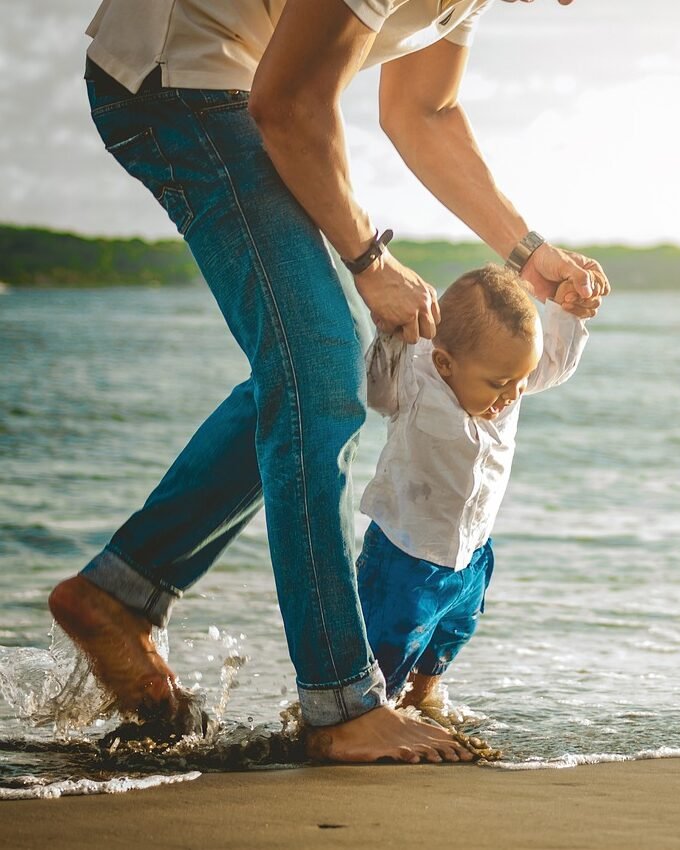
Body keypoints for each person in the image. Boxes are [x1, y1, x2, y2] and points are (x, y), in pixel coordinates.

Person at [48, 0, 610, 765]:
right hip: (178, 80)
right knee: (319, 368)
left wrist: (527, 250)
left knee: (315, 373)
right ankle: (341, 703)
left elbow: (427, 109)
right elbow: (288, 103)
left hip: (233, 84)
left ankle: (122, 592)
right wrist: (370, 263)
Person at [357, 264, 593, 730]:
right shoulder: (416, 378)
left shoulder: (508, 372)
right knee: (387, 649)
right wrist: (389, 331)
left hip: (473, 552)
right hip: (406, 555)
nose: (512, 394)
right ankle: (371, 717)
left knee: (452, 633)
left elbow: (556, 361)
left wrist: (568, 312)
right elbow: (373, 387)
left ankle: (424, 703)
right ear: (445, 363)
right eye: (499, 384)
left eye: (520, 381)